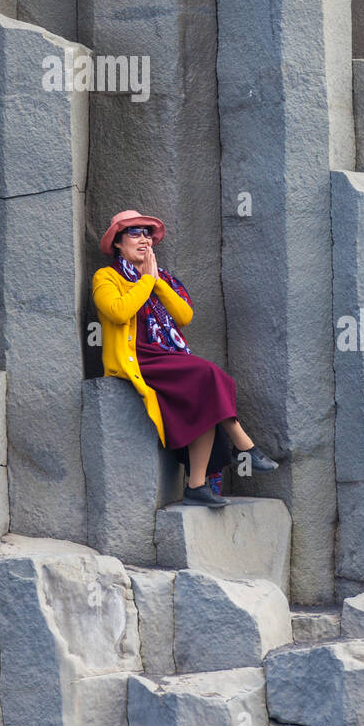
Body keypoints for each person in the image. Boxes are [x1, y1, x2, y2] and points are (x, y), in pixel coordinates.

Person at [92, 209, 279, 509]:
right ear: (117, 242)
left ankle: (197, 486)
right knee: (209, 376)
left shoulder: (160, 277)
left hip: (166, 356)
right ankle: (245, 447)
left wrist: (156, 282)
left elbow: (185, 315)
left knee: (207, 390)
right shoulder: (107, 277)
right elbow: (117, 311)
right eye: (135, 233)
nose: (144, 239)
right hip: (139, 358)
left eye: (147, 233)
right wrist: (144, 282)